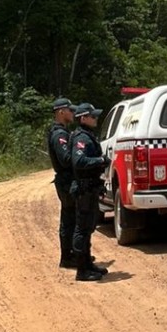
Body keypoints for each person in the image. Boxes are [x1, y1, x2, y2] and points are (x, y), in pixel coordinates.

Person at [70, 104, 109, 282]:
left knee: (88, 228)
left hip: (90, 188)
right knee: (82, 229)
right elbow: (79, 161)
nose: (95, 118)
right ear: (83, 118)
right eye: (92, 116)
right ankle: (81, 270)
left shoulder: (87, 136)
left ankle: (87, 264)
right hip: (84, 189)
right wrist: (100, 160)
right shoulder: (81, 138)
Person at [47, 97, 77, 268]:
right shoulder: (59, 134)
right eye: (70, 110)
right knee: (69, 219)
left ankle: (71, 254)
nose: (72, 113)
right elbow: (65, 159)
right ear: (61, 112)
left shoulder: (62, 132)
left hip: (66, 180)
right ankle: (67, 257)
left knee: (70, 218)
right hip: (66, 181)